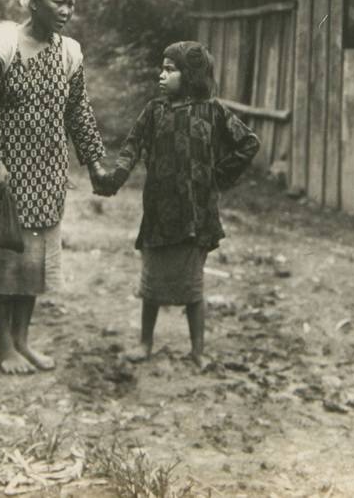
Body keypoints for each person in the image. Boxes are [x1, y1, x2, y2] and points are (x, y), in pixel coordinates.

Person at [0, 0, 106, 375]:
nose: (66, 10)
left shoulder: (69, 53)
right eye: (58, 1)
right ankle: (3, 345)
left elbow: (77, 110)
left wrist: (95, 161)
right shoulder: (1, 48)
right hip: (6, 172)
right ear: (33, 2)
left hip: (47, 173)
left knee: (33, 263)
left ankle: (24, 340)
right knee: (3, 258)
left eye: (71, 3)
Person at [95, 40, 260, 368]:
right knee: (151, 282)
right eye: (162, 69)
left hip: (195, 215)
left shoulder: (212, 111)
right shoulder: (153, 111)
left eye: (170, 70)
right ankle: (145, 343)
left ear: (192, 74)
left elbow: (248, 143)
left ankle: (198, 350)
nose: (161, 75)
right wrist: (114, 178)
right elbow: (131, 146)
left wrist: (217, 176)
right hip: (158, 211)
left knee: (192, 287)